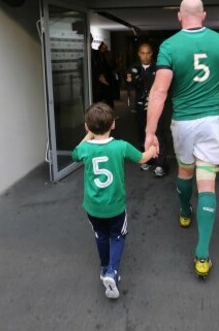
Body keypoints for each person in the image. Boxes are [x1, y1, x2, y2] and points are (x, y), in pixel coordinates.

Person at [144, 0, 219, 278]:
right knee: (207, 182)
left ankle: (184, 211)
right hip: (211, 123)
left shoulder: (169, 46)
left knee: (185, 171)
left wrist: (150, 132)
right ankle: (202, 255)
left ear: (179, 16)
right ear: (204, 15)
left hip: (183, 123)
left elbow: (160, 92)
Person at [72, 102, 157, 299]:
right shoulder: (121, 146)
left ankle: (103, 268)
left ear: (87, 127)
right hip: (116, 207)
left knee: (100, 235)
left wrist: (89, 133)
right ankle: (112, 271)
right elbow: (143, 158)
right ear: (113, 125)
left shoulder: (85, 149)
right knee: (118, 235)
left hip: (93, 207)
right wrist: (153, 149)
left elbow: (76, 153)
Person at [126, 43, 168, 176]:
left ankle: (160, 164)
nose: (145, 56)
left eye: (148, 53)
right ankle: (146, 159)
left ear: (152, 53)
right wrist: (131, 80)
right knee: (142, 133)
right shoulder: (133, 67)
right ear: (139, 54)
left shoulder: (158, 67)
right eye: (142, 53)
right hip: (140, 106)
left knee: (159, 133)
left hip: (156, 106)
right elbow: (129, 84)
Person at [91, 42, 116, 108]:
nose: (104, 50)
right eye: (103, 48)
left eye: (105, 48)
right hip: (100, 82)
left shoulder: (107, 55)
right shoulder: (97, 56)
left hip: (107, 79)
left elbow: (110, 66)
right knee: (100, 99)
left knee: (109, 99)